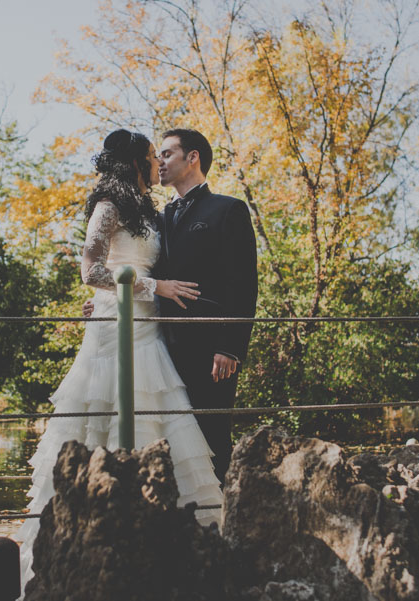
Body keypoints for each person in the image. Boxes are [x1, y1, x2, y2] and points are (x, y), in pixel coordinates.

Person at [14, 129, 224, 591]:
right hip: (116, 326)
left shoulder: (150, 212)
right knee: (106, 412)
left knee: (160, 411)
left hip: (151, 326)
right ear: (135, 163)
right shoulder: (107, 207)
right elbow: (90, 269)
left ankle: (170, 539)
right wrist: (151, 287)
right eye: (152, 156)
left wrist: (157, 288)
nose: (157, 163)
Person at [86, 128, 258, 484]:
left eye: (166, 154)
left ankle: (220, 524)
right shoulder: (157, 218)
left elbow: (243, 284)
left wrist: (230, 347)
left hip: (211, 350)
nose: (158, 162)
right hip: (159, 345)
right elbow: (135, 267)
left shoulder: (228, 210)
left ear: (192, 158)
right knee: (171, 441)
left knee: (212, 441)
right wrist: (106, 300)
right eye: (156, 156)